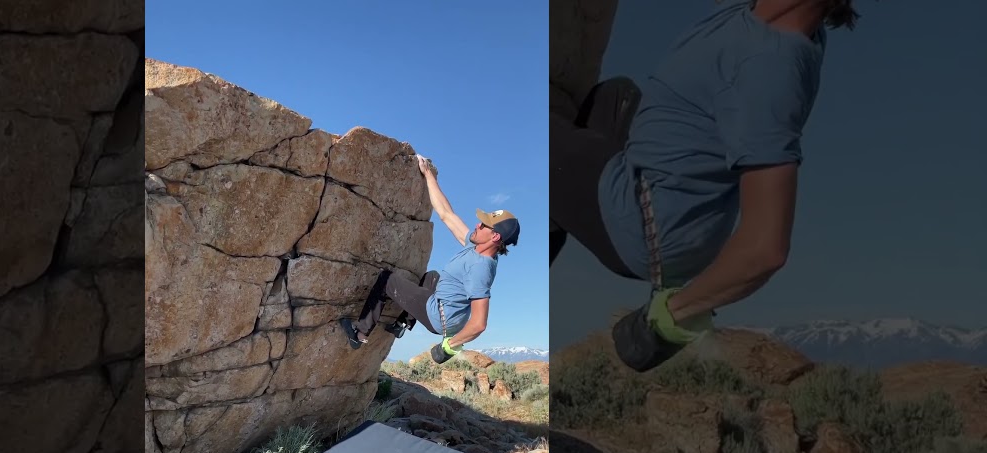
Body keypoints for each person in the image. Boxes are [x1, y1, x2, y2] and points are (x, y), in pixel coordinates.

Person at [551, 0, 866, 371]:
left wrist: (671, 318)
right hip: (657, 184)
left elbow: (766, 249)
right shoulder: (758, 17)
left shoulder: (769, 68)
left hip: (646, 224)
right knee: (612, 100)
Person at [340, 155, 520, 364]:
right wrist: (429, 175)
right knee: (433, 277)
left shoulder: (480, 267)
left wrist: (449, 347)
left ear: (495, 236)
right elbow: (446, 214)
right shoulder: (477, 247)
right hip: (446, 311)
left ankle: (359, 333)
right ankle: (402, 324)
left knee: (386, 280)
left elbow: (479, 323)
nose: (477, 225)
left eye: (484, 225)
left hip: (439, 317)